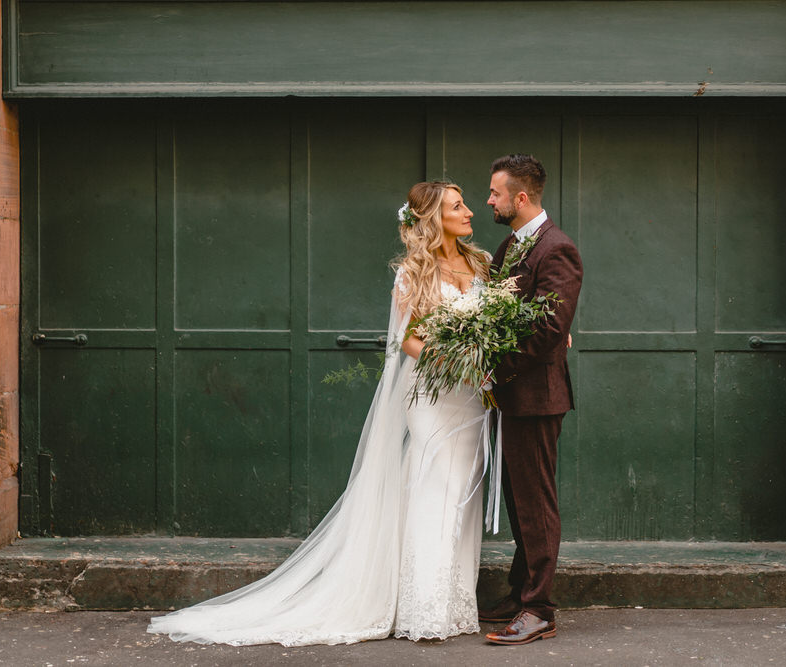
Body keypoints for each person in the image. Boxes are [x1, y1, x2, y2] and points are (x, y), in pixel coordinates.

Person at [147, 181, 493, 646]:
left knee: (462, 495)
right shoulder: (414, 271)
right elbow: (408, 339)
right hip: (434, 393)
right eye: (458, 205)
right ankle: (424, 608)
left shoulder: (480, 263)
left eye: (467, 202)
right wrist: (449, 361)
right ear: (434, 218)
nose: (469, 210)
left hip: (472, 395)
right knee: (434, 487)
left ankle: (453, 605)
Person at [479, 154, 583, 646]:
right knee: (518, 500)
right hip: (511, 397)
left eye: (496, 193)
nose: (489, 201)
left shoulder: (556, 249)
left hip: (537, 398)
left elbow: (548, 330)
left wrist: (493, 368)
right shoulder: (510, 247)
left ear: (521, 198)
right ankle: (522, 590)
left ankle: (539, 609)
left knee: (535, 503)